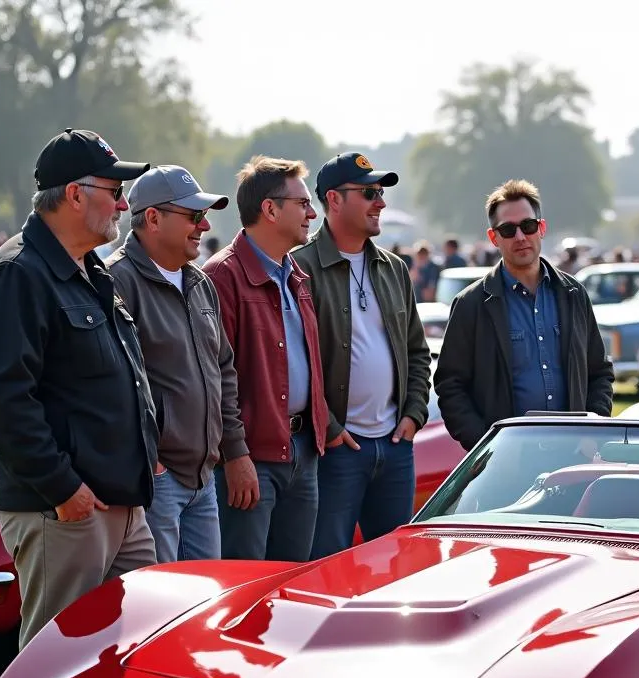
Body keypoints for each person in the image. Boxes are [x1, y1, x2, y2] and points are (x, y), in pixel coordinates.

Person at [0, 128, 158, 649]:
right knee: (56, 663)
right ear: (74, 194)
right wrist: (62, 489)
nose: (123, 203)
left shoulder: (89, 268)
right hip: (65, 511)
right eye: (112, 190)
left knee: (131, 649)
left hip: (119, 505)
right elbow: (1, 398)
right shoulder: (18, 273)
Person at [106, 165, 256, 562]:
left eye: (203, 216)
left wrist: (234, 450)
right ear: (152, 218)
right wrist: (149, 461)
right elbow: (112, 385)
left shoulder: (199, 281)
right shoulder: (116, 281)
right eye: (193, 216)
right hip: (159, 481)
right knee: (161, 609)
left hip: (203, 479)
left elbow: (223, 369)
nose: (204, 226)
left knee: (205, 603)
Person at [293, 152, 430, 558]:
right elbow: (297, 366)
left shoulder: (393, 268)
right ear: (333, 200)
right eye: (369, 192)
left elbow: (417, 352)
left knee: (394, 573)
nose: (381, 202)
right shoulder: (300, 269)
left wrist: (414, 414)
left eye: (381, 192)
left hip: (395, 446)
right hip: (336, 452)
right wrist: (332, 428)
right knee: (326, 568)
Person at [203, 157, 329, 561]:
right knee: (246, 587)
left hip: (301, 453)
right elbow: (217, 379)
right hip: (252, 459)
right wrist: (235, 454)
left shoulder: (296, 275)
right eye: (303, 203)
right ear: (270, 209)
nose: (312, 213)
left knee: (291, 584)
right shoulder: (223, 275)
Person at [434, 178, 614, 452]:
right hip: (505, 464)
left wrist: (593, 430)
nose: (520, 237)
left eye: (528, 226)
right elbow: (450, 386)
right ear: (493, 237)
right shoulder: (471, 304)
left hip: (573, 453)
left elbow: (599, 372)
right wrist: (485, 447)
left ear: (541, 228)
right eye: (508, 230)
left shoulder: (573, 294)